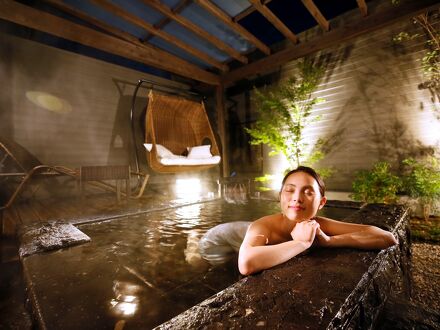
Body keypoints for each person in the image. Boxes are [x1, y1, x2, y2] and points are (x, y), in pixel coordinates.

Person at [238, 166, 398, 276]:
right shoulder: (262, 226)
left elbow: (387, 238)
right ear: (280, 196)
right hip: (227, 236)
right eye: (290, 190)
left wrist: (329, 241)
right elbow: (246, 263)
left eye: (308, 192)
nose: (297, 198)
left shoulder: (317, 224)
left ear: (321, 202)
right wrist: (301, 243)